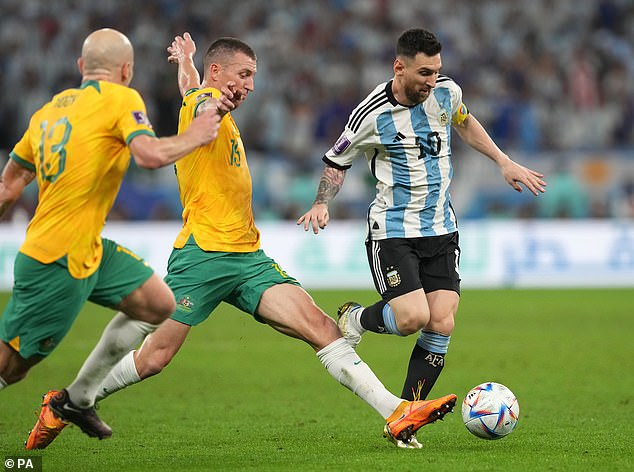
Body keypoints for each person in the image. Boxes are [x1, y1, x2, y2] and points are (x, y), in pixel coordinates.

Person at [28, 32, 457, 451]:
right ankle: (65, 403)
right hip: (202, 257)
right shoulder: (206, 105)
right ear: (218, 72)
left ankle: (396, 410)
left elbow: (193, 89)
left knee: (323, 328)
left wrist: (186, 65)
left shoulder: (204, 97)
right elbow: (201, 100)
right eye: (244, 75)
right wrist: (209, 93)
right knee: (155, 359)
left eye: (253, 77)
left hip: (248, 257)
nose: (250, 85)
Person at [298, 28, 546, 440]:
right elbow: (336, 161)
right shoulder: (371, 114)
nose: (432, 81)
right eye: (425, 72)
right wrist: (322, 201)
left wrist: (504, 161)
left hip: (441, 228)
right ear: (399, 66)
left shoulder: (447, 93)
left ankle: (408, 416)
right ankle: (356, 317)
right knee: (413, 317)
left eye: (437, 72)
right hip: (393, 232)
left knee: (442, 323)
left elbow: (464, 122)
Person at [0, 28, 221, 449]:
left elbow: (9, 187)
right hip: (56, 259)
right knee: (11, 366)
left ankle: (79, 399)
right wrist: (197, 134)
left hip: (87, 248)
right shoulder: (122, 98)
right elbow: (149, 155)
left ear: (82, 68)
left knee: (158, 303)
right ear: (127, 70)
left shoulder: (47, 112)